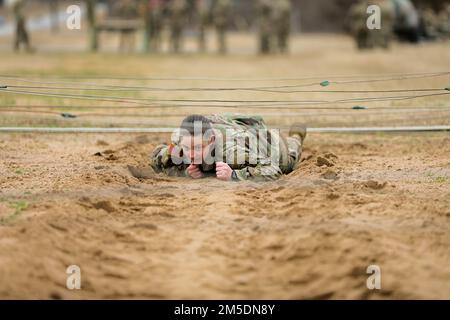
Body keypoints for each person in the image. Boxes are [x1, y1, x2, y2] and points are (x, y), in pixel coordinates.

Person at [150, 114, 306, 181]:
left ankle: (296, 136)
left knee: (289, 159)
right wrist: (184, 170)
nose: (190, 154)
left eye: (197, 148)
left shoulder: (231, 153)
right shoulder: (182, 137)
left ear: (211, 141)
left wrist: (234, 175)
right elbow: (157, 156)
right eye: (186, 148)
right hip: (234, 128)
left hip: (270, 144)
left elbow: (273, 171)